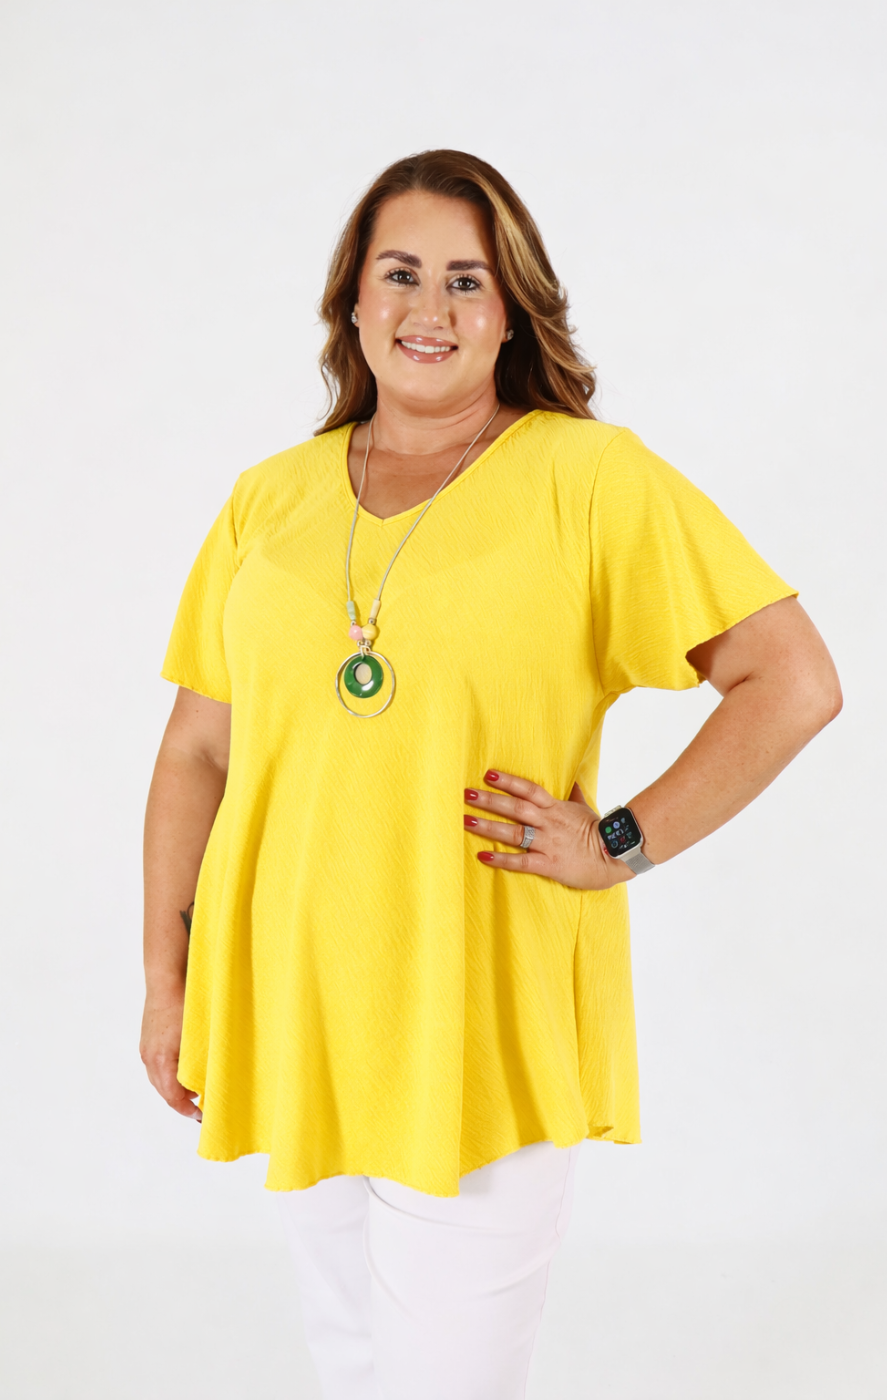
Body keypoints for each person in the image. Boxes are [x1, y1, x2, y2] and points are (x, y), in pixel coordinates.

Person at [140, 149, 842, 1400]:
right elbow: (199, 746)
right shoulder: (270, 500)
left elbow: (792, 679)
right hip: (296, 1009)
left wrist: (618, 838)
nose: (431, 308)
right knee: (352, 1361)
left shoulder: (588, 478)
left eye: (468, 280)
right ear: (351, 300)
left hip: (482, 1005)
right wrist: (166, 978)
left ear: (510, 310)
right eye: (400, 273)